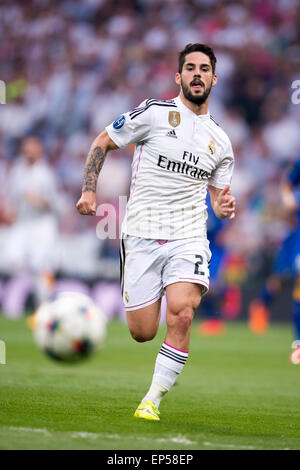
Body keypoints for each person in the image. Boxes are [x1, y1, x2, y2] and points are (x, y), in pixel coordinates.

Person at [76, 43, 236, 420]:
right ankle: (159, 364)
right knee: (143, 331)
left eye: (204, 69)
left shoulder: (222, 142)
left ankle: (152, 399)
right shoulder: (154, 114)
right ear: (178, 77)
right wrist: (88, 189)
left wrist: (223, 206)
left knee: (182, 313)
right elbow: (103, 141)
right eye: (190, 68)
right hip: (141, 234)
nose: (197, 74)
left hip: (188, 236)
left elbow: (216, 197)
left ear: (214, 78)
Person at [249, 157, 300, 364]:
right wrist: (288, 200)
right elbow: (288, 182)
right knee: (282, 278)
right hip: (296, 234)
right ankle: (262, 305)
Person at [3, 136, 59, 303]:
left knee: (42, 266)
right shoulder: (17, 171)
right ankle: (14, 301)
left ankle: (45, 302)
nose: (28, 152)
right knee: (11, 260)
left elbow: (56, 204)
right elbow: (11, 197)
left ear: (39, 150)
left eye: (32, 148)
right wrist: (11, 211)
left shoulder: (46, 174)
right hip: (23, 223)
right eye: (26, 148)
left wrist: (40, 201)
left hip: (42, 224)